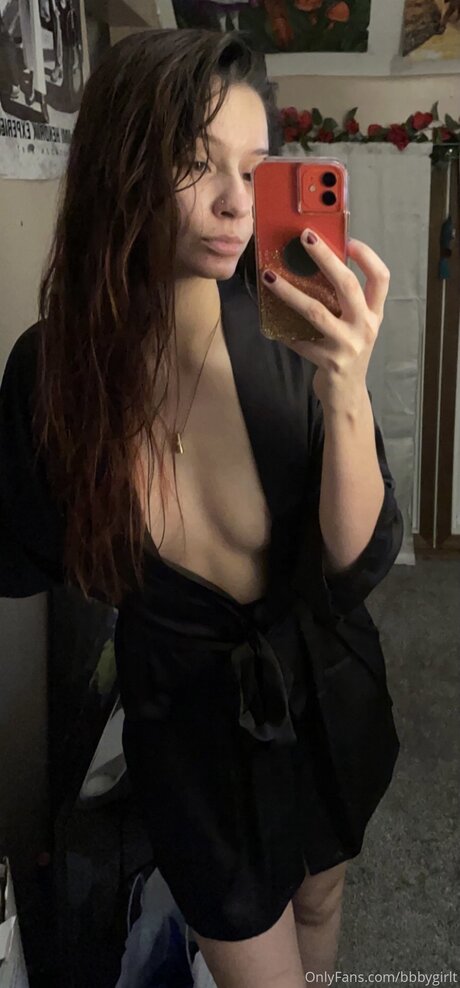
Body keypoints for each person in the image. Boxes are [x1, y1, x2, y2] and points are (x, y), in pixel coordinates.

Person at [0, 28, 404, 988]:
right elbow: (24, 554)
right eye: (195, 163)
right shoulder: (53, 371)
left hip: (323, 692)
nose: (235, 202)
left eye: (254, 169)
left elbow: (356, 564)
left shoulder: (287, 332)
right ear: (122, 168)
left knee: (321, 898)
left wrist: (347, 388)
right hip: (188, 739)